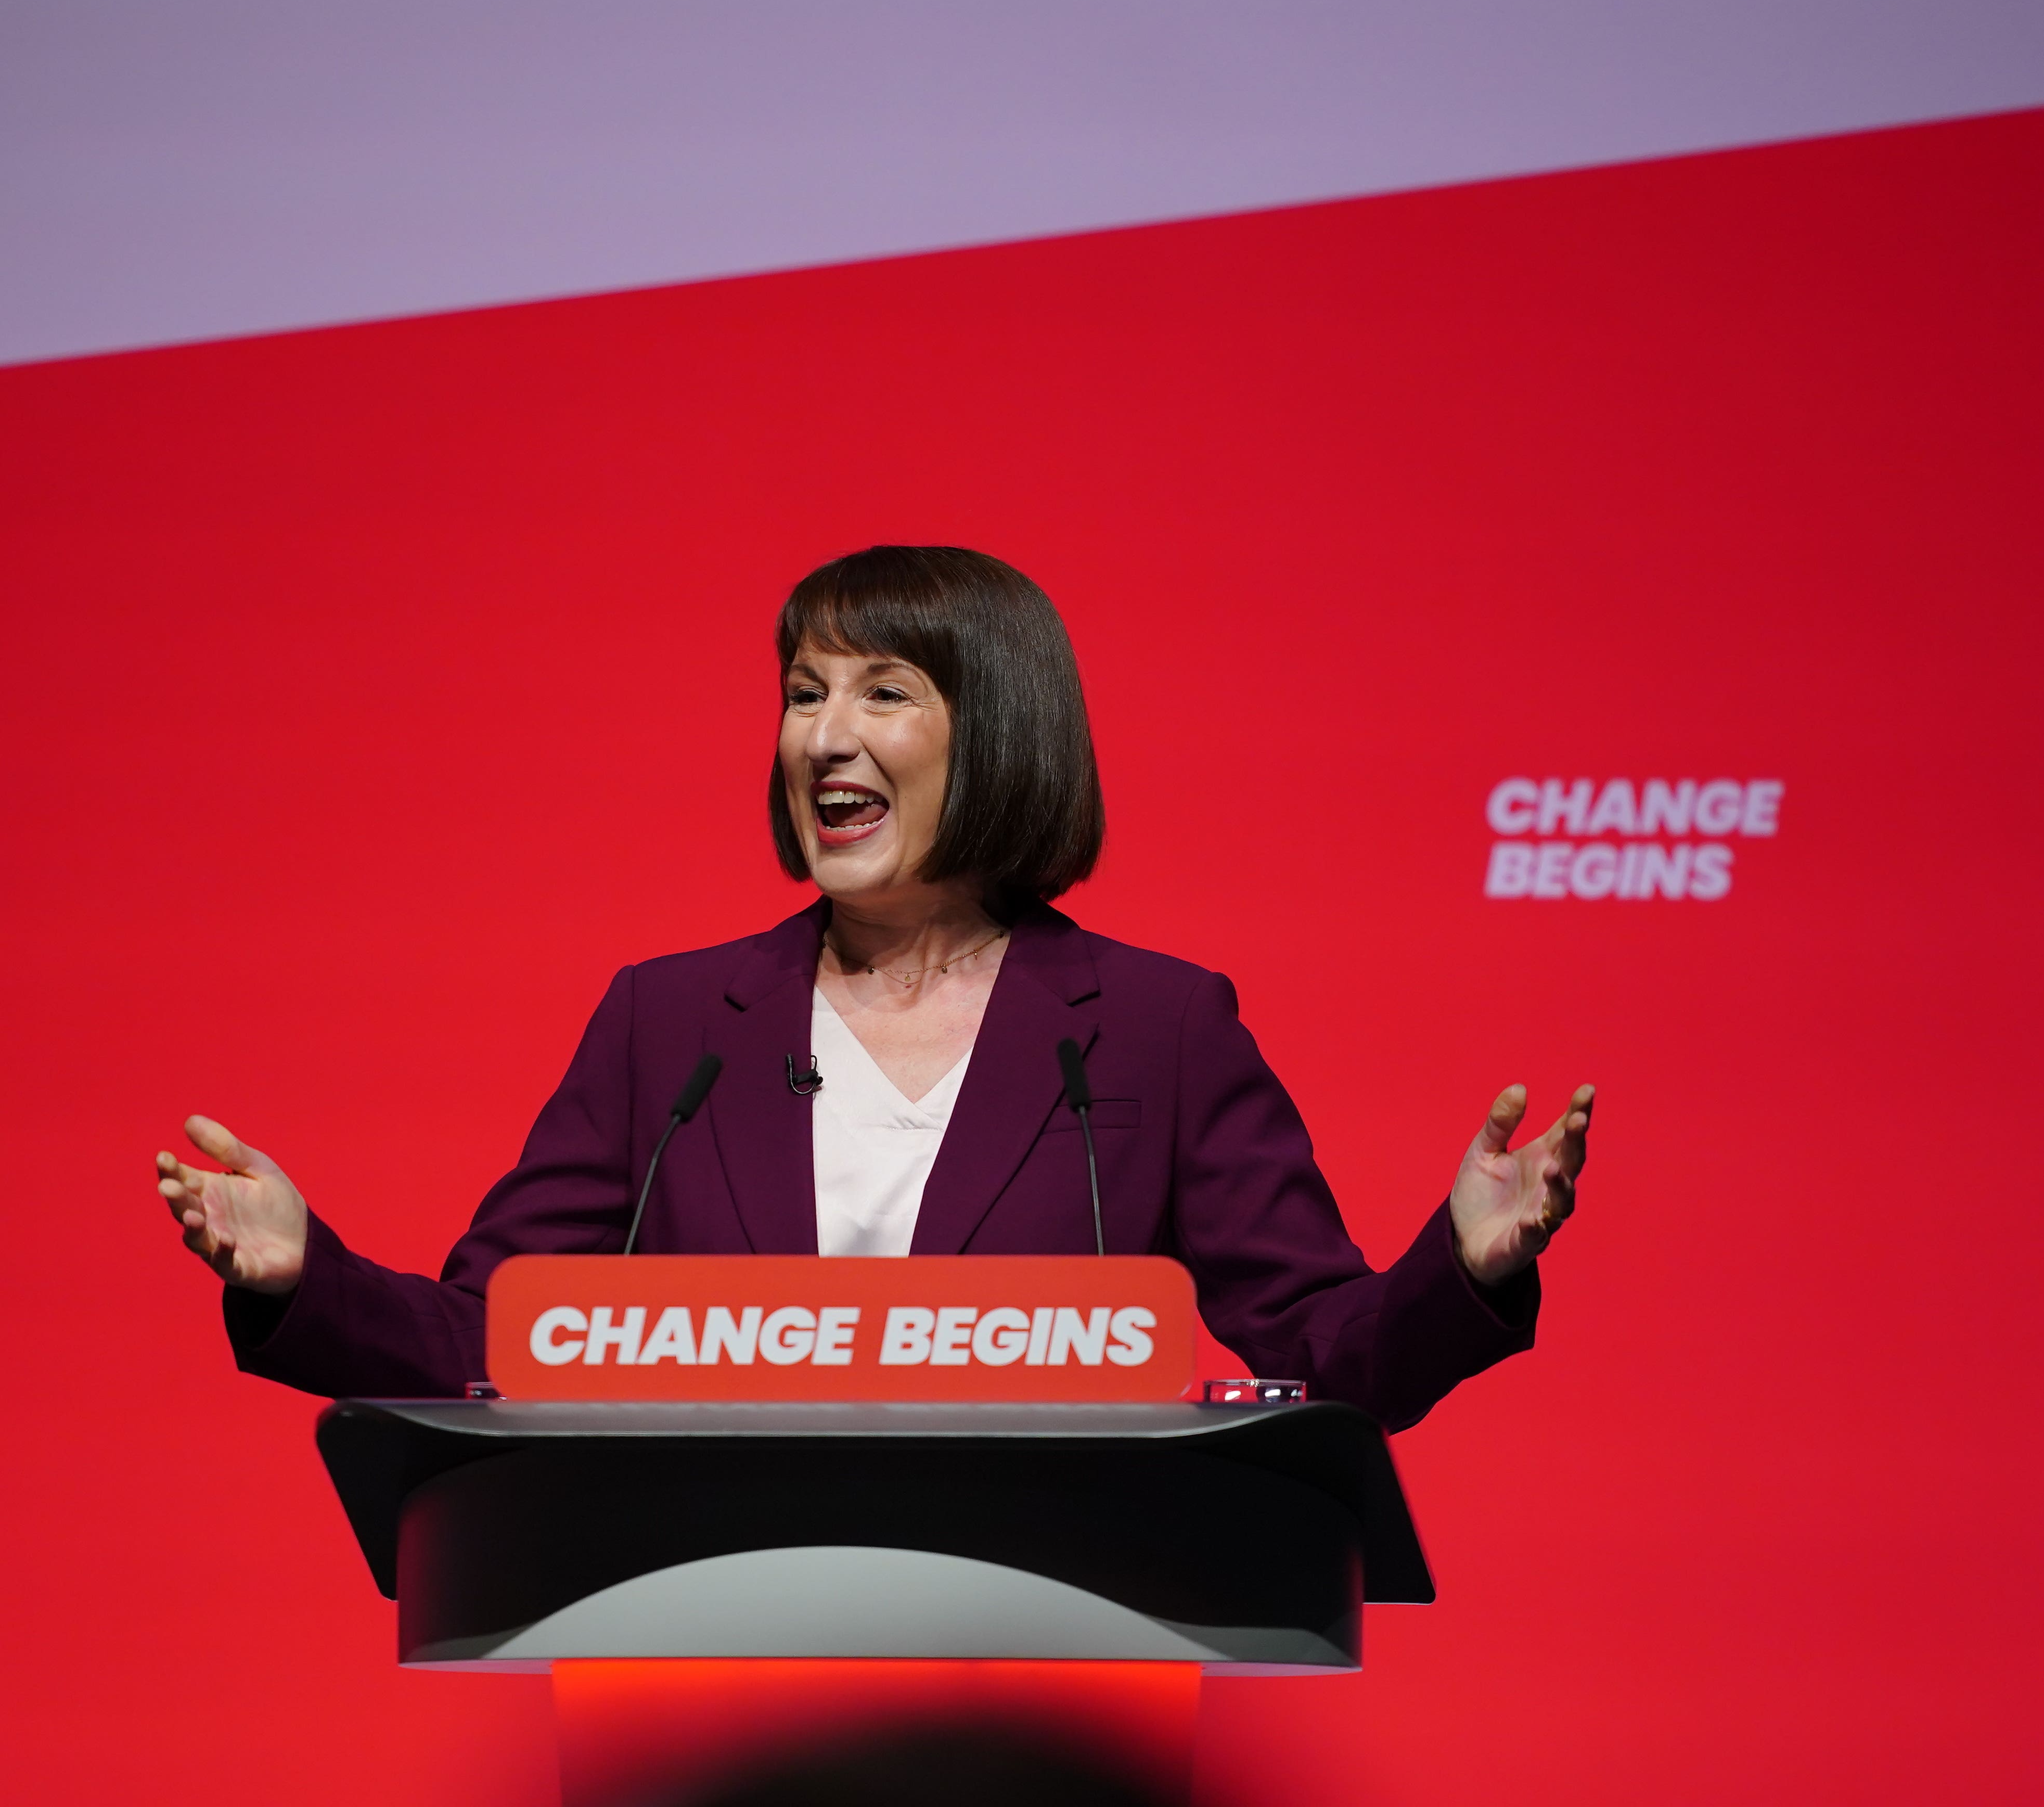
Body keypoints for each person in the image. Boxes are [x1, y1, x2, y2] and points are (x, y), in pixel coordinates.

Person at [151, 546, 1590, 1429]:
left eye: (883, 691)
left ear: (1002, 731)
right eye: (800, 692)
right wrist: (306, 1274)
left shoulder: (1158, 1028)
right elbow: (499, 1336)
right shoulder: (670, 1024)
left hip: (1044, 1666)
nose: (821, 737)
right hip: (706, 1647)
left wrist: (1457, 1268)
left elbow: (1328, 1358)